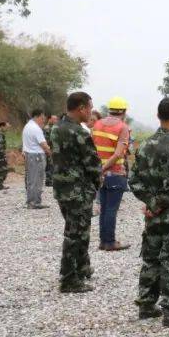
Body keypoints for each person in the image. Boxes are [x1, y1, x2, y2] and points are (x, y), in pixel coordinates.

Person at [131, 97, 169, 327]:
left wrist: (151, 203)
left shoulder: (144, 145)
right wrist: (160, 203)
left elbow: (133, 180)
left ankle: (146, 303)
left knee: (151, 257)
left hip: (153, 215)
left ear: (158, 115)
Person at [50, 92, 102, 294]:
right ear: (81, 108)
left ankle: (82, 268)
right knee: (77, 234)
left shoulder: (56, 128)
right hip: (78, 190)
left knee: (75, 230)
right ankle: (69, 279)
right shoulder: (80, 133)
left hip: (62, 189)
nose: (90, 112)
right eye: (89, 107)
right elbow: (92, 164)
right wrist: (96, 183)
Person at [92, 97, 132, 251]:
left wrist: (98, 170)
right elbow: (117, 154)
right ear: (124, 112)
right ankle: (109, 242)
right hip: (115, 173)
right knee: (111, 209)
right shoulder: (123, 127)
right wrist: (104, 168)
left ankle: (103, 240)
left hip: (100, 174)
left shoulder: (97, 125)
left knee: (104, 206)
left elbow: (93, 149)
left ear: (109, 110)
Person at [22, 109, 51, 209]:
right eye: (42, 118)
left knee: (31, 180)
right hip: (37, 156)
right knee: (37, 180)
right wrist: (51, 153)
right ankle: (35, 203)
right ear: (38, 116)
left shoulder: (27, 126)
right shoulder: (35, 128)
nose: (43, 120)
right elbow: (44, 144)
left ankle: (31, 201)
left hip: (30, 155)